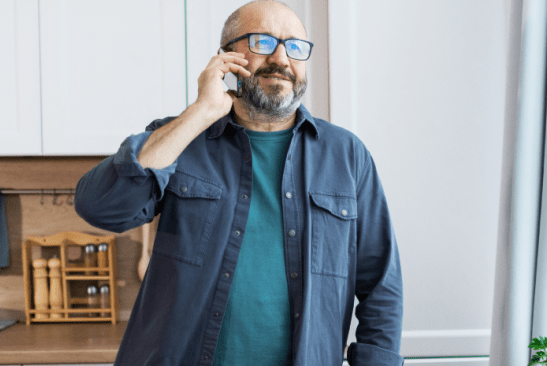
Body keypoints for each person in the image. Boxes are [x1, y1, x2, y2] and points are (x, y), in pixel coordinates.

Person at [74, 1, 403, 365]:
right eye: (262, 41)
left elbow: (381, 284)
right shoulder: (180, 138)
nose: (281, 58)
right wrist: (200, 112)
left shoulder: (347, 156)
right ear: (226, 59)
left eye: (295, 46)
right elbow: (100, 208)